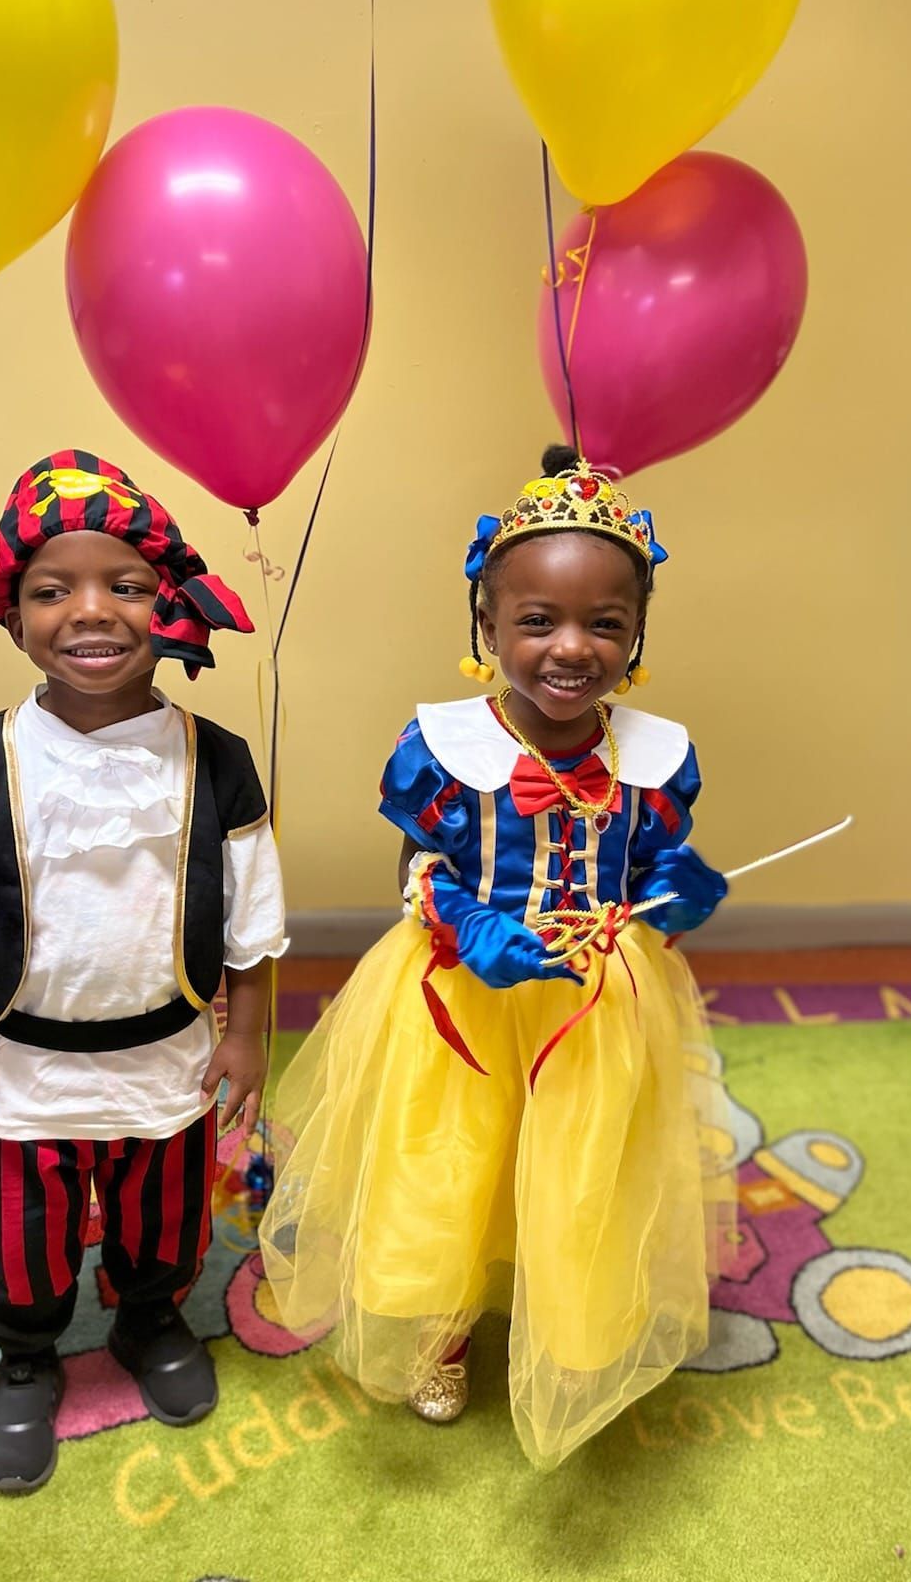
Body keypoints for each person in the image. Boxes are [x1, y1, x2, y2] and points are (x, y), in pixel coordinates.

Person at [259, 445, 734, 1470]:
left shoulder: (651, 755)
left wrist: (680, 887)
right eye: (537, 621)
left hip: (597, 993)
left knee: (583, 1156)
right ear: (485, 628)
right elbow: (422, 862)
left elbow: (650, 864)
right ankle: (440, 1329)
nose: (572, 647)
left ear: (638, 634)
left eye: (604, 623)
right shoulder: (446, 747)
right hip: (460, 995)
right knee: (449, 1160)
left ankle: (565, 1319)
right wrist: (469, 926)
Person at [0, 450, 287, 1494]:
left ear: (170, 605)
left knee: (165, 1210)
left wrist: (245, 1033)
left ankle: (152, 1317)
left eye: (125, 584)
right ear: (12, 613)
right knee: (22, 1225)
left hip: (169, 1055)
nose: (91, 611)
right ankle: (24, 1353)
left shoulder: (219, 758)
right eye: (51, 589)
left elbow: (251, 924)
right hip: (26, 1068)